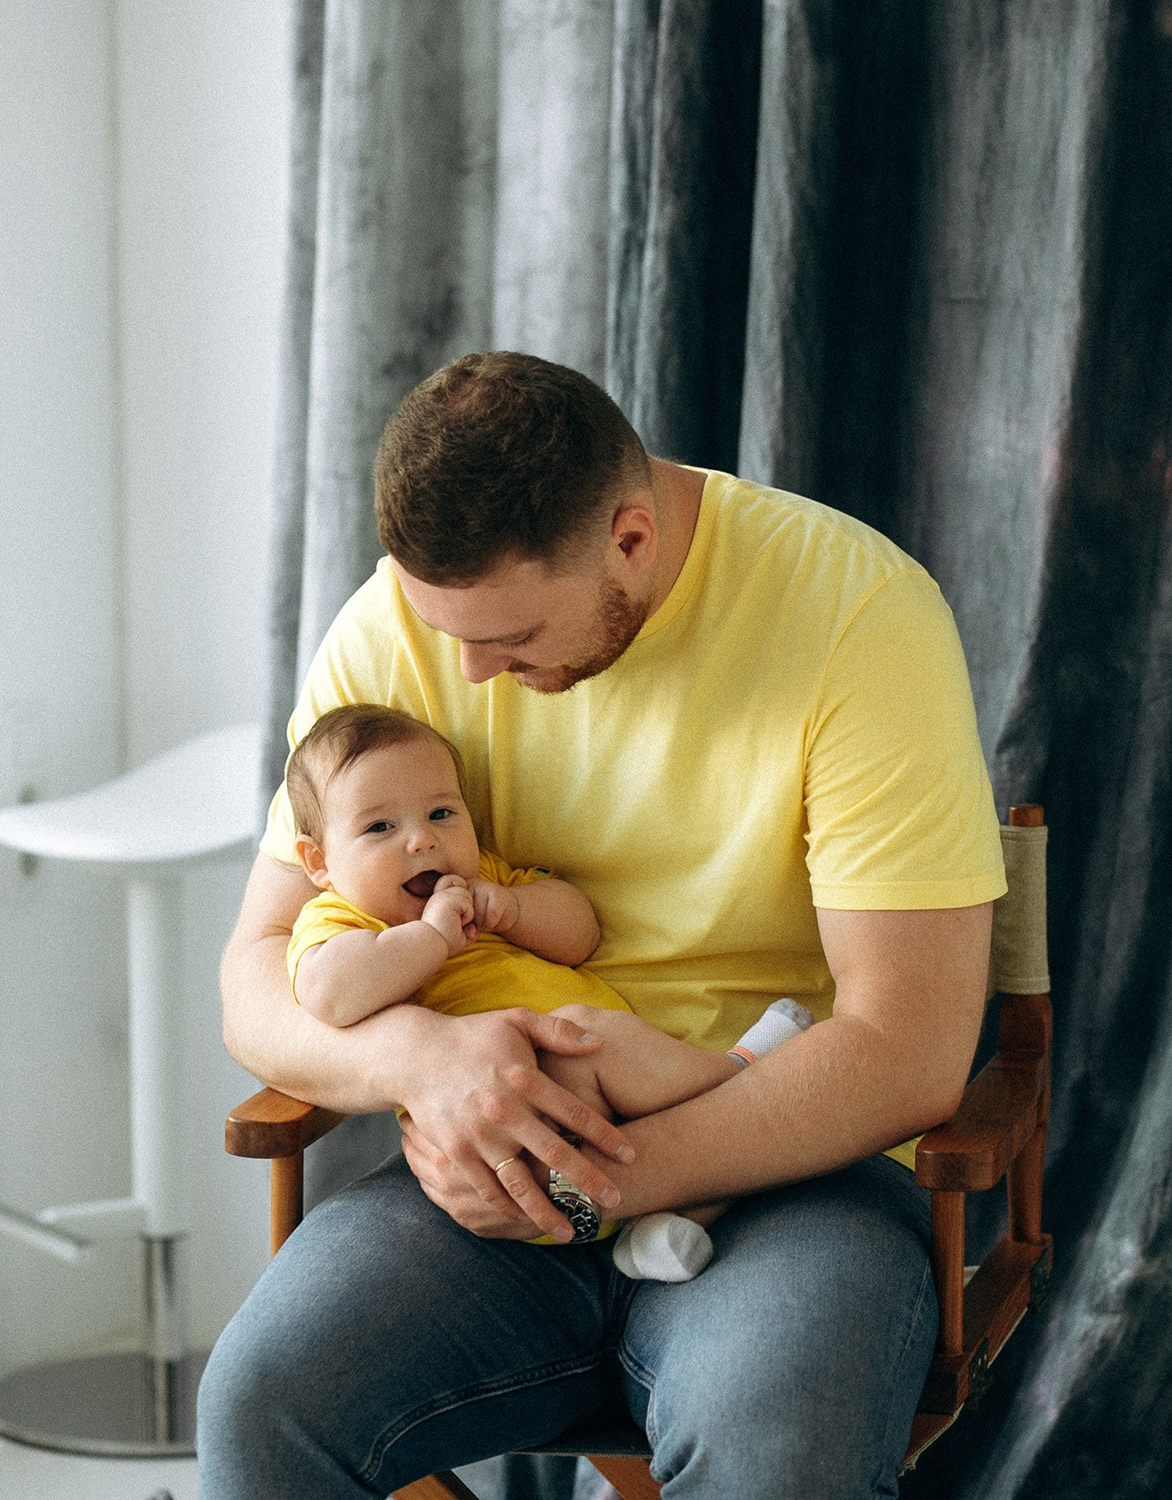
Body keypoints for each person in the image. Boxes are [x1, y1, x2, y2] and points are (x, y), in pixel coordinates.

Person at [199, 351, 1005, 1499]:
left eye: (510, 638)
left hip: (793, 1170)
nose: (468, 673)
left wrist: (612, 1178)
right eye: (446, 634)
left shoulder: (858, 615)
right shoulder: (402, 627)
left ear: (630, 537)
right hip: (487, 1177)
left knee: (778, 1458)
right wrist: (417, 1057)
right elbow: (256, 973)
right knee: (260, 1408)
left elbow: (911, 1046)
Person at [284, 700, 814, 1281]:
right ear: (320, 862)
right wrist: (430, 938)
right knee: (594, 1037)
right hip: (505, 1120)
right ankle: (745, 1074)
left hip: (613, 1124)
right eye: (380, 827)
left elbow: (580, 932)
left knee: (629, 1098)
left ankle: (666, 1228)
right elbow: (331, 993)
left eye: (441, 813)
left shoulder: (485, 876)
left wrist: (513, 909)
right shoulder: (338, 920)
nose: (422, 842)